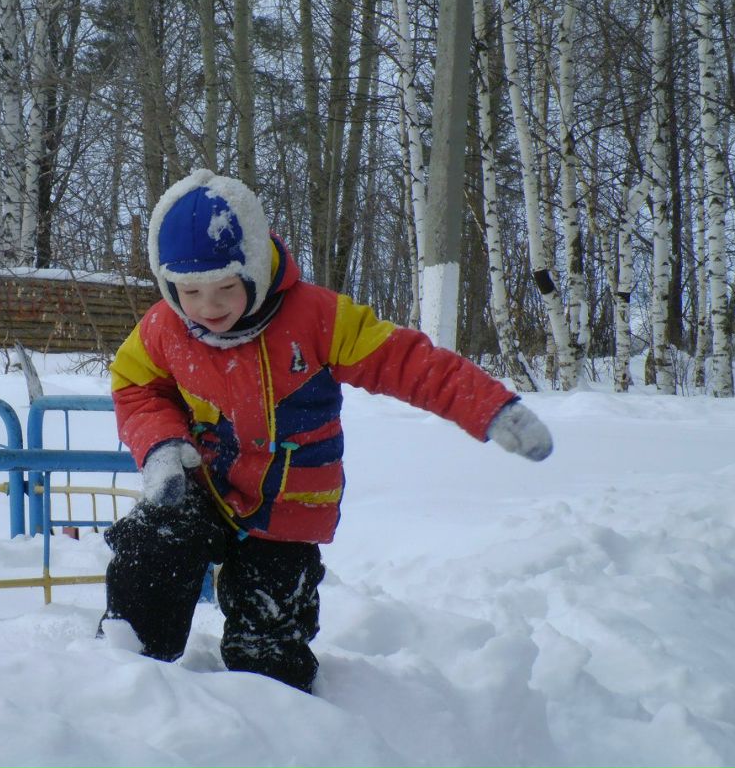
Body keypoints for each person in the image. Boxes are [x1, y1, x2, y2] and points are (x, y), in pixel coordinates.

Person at [100, 169, 552, 693]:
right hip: (204, 484)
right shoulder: (164, 327)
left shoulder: (316, 316)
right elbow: (134, 386)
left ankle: (280, 715)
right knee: (153, 541)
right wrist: (160, 446)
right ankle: (128, 673)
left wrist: (489, 408)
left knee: (268, 634)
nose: (209, 307)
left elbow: (406, 362)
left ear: (255, 267)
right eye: (190, 290)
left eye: (226, 286)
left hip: (285, 508)